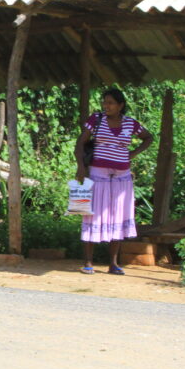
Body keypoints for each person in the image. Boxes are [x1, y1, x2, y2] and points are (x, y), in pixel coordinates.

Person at [74, 88, 153, 275]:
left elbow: (148, 138)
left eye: (110, 103)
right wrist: (80, 167)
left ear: (120, 105)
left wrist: (132, 154)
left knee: (118, 216)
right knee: (91, 214)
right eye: (104, 102)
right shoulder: (96, 119)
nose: (106, 106)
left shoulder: (130, 124)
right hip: (97, 174)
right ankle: (88, 262)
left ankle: (113, 263)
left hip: (122, 177)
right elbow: (80, 143)